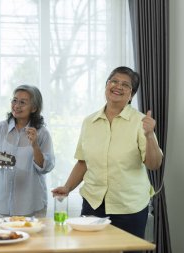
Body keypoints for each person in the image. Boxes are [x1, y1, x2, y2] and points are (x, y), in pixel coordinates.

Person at [52, 66, 163, 241]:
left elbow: (154, 164)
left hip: (129, 207)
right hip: (93, 204)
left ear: (131, 95)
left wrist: (149, 136)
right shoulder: (89, 122)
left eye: (125, 85)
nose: (118, 86)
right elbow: (83, 163)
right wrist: (67, 187)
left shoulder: (140, 122)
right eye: (114, 81)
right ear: (106, 85)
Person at [0, 84, 55, 218]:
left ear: (34, 108)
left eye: (23, 102)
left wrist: (35, 145)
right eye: (14, 100)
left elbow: (46, 168)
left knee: (34, 239)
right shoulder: (0, 129)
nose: (16, 105)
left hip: (32, 206)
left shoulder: (42, 133)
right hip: (3, 206)